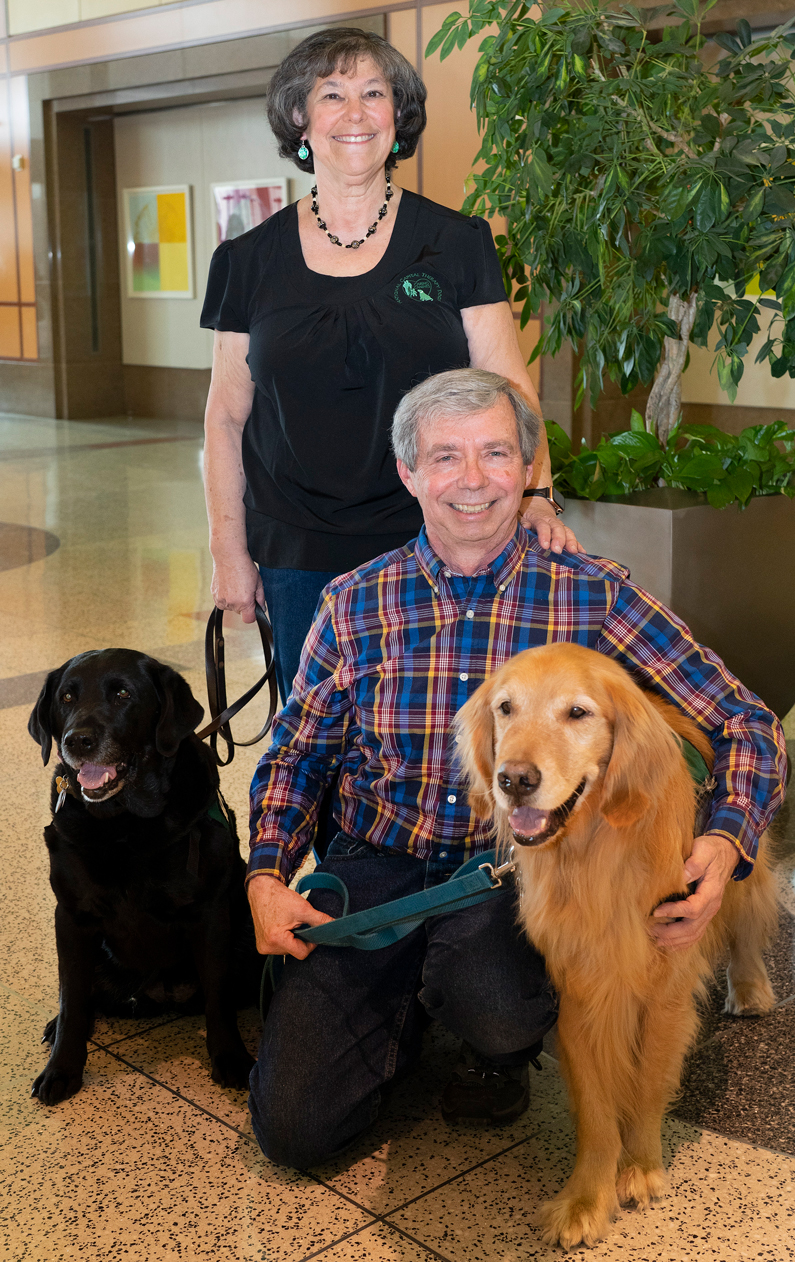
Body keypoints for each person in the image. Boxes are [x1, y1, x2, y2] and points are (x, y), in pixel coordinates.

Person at [245, 368, 787, 1168]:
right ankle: (404, 1005)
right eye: (445, 457)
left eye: (495, 454)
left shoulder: (592, 597)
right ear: (408, 473)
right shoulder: (354, 602)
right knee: (294, 1130)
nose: (471, 481)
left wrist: (723, 845)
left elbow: (747, 721)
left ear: (528, 470)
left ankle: (483, 1038)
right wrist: (265, 872)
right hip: (375, 868)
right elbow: (296, 753)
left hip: (511, 876)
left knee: (498, 1006)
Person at [200, 25, 581, 707]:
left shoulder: (456, 243)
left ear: (397, 116)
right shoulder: (247, 260)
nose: (354, 114)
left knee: (441, 725)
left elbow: (510, 388)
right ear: (300, 117)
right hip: (297, 549)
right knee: (316, 732)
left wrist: (535, 496)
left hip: (440, 533)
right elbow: (226, 418)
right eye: (332, 94)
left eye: (373, 94)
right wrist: (229, 551)